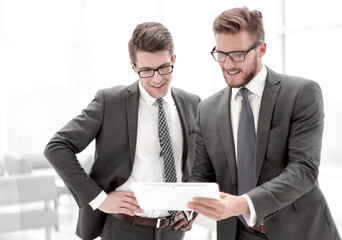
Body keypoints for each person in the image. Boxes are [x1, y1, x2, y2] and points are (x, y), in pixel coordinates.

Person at [187, 7, 341, 240]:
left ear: (261, 49)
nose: (228, 65)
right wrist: (184, 203)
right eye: (221, 54)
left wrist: (244, 204)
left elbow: (303, 170)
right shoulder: (207, 109)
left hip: (299, 231)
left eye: (238, 54)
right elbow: (202, 174)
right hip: (238, 233)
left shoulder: (300, 93)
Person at [44, 22, 200, 240]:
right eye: (146, 70)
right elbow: (57, 147)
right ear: (133, 67)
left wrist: (192, 206)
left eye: (164, 68)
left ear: (174, 60)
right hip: (124, 229)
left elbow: (201, 163)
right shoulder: (111, 103)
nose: (157, 78)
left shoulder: (192, 103)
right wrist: (99, 199)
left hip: (174, 231)